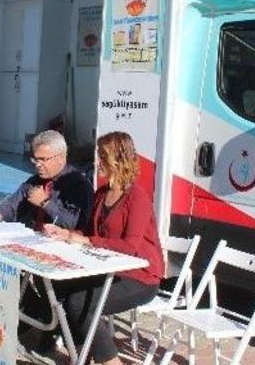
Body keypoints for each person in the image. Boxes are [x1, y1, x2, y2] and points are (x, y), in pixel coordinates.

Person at [43, 131, 164, 365]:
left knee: (79, 303)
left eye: (103, 157)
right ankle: (82, 356)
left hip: (140, 277)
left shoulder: (136, 197)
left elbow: (130, 246)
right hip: (108, 269)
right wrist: (67, 235)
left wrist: (86, 241)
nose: (97, 162)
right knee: (60, 287)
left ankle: (110, 362)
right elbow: (90, 234)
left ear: (119, 160)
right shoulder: (101, 193)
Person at [0, 130, 93, 232]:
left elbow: (75, 224)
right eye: (36, 159)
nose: (38, 164)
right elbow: (14, 204)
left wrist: (45, 203)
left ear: (61, 157)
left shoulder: (79, 186)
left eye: (43, 159)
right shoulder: (35, 181)